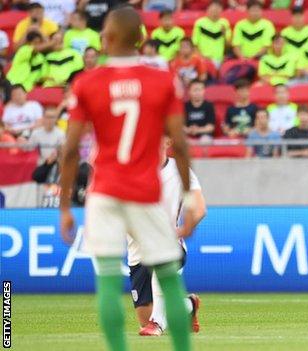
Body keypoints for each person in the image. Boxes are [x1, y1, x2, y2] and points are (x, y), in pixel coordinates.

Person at [59, 7, 194, 351]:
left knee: (106, 282)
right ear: (142, 38)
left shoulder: (87, 82)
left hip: (104, 192)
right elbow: (178, 142)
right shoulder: (163, 80)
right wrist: (189, 195)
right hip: (144, 191)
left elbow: (71, 149)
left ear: (110, 37)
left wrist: (64, 206)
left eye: (103, 31)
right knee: (169, 280)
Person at [128, 137, 205, 337]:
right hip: (137, 248)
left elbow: (200, 209)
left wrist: (183, 229)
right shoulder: (133, 172)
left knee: (154, 320)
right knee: (144, 316)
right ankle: (188, 305)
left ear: (168, 141)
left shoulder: (181, 172)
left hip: (169, 245)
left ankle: (158, 323)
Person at [192, 0, 231, 67]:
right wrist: (201, 58)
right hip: (203, 58)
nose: (215, 12)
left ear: (221, 10)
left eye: (217, 9)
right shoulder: (200, 23)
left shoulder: (224, 23)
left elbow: (228, 45)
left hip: (219, 59)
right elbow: (195, 44)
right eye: (213, 9)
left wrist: (224, 34)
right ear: (207, 10)